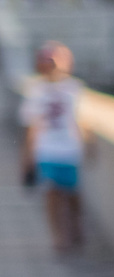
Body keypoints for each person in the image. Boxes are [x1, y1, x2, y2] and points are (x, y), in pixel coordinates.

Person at [18, 42, 88, 254]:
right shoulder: (35, 90)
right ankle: (59, 237)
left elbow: (81, 119)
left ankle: (75, 228)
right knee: (51, 194)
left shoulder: (74, 88)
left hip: (70, 149)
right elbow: (32, 126)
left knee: (72, 195)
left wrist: (88, 142)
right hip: (46, 149)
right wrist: (27, 156)